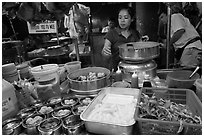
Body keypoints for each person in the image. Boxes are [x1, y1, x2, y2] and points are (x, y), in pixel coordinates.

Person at [160, 2, 202, 67]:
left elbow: (180, 31)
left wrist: (168, 43)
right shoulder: (171, 24)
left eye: (162, 17)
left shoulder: (174, 16)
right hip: (187, 49)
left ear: (167, 14)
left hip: (191, 49)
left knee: (187, 74)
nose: (161, 20)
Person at [101, 6, 141, 71]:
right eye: (120, 17)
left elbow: (140, 51)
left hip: (134, 69)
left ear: (132, 19)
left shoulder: (135, 33)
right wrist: (105, 51)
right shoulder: (112, 33)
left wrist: (143, 42)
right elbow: (105, 51)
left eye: (126, 18)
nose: (122, 20)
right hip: (117, 70)